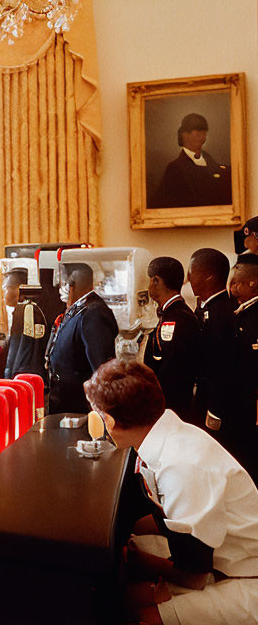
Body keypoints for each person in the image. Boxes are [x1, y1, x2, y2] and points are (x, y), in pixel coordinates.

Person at [84, 359, 258, 625]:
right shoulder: (166, 436)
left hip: (244, 576)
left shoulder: (181, 468)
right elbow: (167, 515)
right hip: (217, 559)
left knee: (138, 614)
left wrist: (133, 558)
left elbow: (194, 576)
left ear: (108, 420)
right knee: (126, 594)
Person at [45, 263, 117, 414]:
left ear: (72, 284)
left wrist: (99, 409)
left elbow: (100, 366)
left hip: (79, 404)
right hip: (64, 399)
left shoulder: (94, 312)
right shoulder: (78, 309)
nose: (61, 288)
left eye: (63, 283)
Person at [188, 249, 237, 446]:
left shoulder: (222, 313)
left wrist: (215, 410)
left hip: (215, 400)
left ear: (209, 276)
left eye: (192, 272)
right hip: (202, 392)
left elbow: (222, 366)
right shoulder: (206, 307)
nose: (188, 278)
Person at [143, 257, 200, 422]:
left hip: (171, 407)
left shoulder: (177, 318)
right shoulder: (171, 313)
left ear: (156, 281)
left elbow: (171, 369)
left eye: (150, 280)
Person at [153, 113, 231, 209]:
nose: (202, 137)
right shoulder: (174, 168)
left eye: (204, 133)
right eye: (198, 133)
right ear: (184, 135)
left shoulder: (215, 165)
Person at [228, 253, 258, 482]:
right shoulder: (238, 312)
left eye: (237, 283)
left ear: (253, 283)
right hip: (240, 400)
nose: (233, 288)